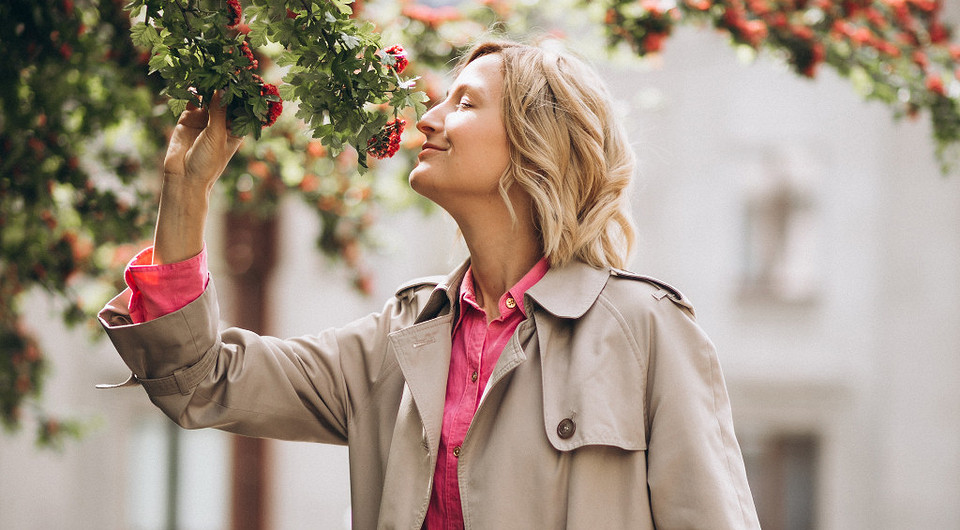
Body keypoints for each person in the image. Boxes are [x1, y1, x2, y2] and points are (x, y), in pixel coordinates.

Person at [99, 40, 760, 529]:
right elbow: (197, 380)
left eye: (465, 103)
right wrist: (185, 191)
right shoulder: (400, 338)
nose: (429, 119)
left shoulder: (645, 329)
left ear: (537, 144)